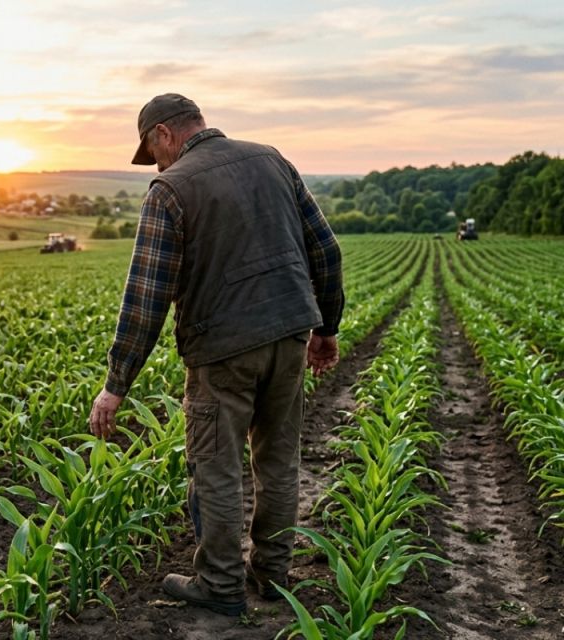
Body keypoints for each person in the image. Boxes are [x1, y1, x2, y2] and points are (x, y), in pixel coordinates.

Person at [88, 93, 344, 616]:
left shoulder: (171, 187)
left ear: (163, 133)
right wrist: (326, 327)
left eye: (152, 150)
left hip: (223, 347)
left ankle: (221, 584)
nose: (156, 164)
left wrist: (116, 384)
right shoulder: (272, 159)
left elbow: (146, 296)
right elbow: (326, 249)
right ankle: (273, 576)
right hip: (292, 333)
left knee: (217, 466)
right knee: (278, 460)